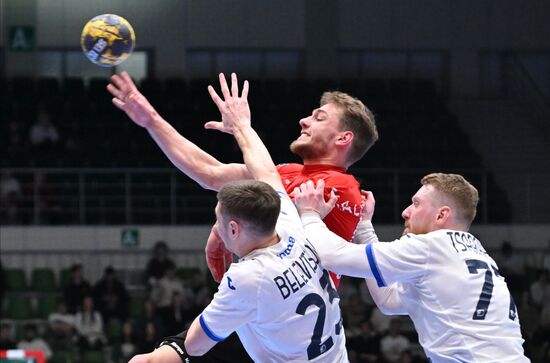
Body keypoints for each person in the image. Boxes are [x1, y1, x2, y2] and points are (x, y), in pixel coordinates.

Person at [127, 74, 347, 362]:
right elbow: (265, 171)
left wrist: (150, 357)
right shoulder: (290, 223)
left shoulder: (249, 276)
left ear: (234, 228)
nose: (214, 229)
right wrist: (241, 126)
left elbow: (192, 346)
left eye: (218, 221)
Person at [107, 71, 378, 289]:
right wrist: (151, 121)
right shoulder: (288, 172)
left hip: (299, 315)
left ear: (343, 138)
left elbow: (275, 208)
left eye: (318, 118)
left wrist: (241, 127)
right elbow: (210, 173)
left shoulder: (343, 187)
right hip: (267, 305)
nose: (304, 121)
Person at [292, 173, 530, 362]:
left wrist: (310, 213)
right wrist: (364, 228)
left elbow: (333, 256)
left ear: (441, 215)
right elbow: (389, 300)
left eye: (416, 203)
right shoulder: (475, 252)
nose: (405, 212)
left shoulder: (431, 246)